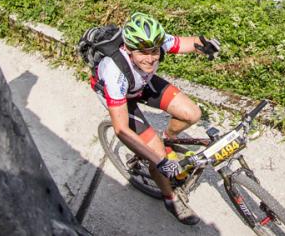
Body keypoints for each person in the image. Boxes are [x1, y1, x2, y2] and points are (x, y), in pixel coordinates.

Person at [90, 12, 220, 225]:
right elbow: (121, 130)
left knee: (192, 114)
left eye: (154, 51)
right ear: (128, 48)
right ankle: (171, 199)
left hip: (142, 82)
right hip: (123, 97)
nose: (150, 58)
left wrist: (203, 43)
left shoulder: (153, 41)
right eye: (142, 53)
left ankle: (167, 138)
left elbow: (180, 43)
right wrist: (160, 160)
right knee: (158, 157)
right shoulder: (114, 73)